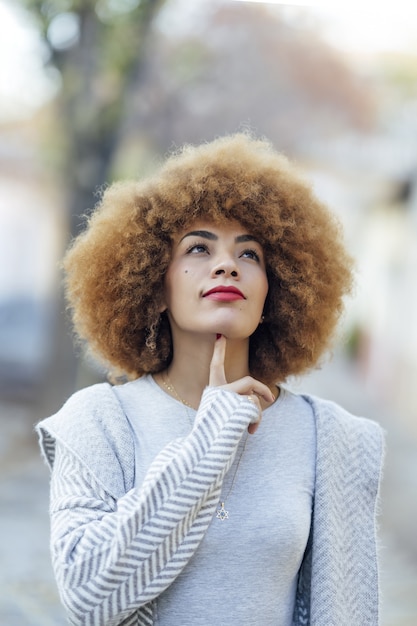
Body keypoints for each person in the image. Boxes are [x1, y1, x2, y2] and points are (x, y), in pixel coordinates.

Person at [37, 133, 384, 626]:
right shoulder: (98, 421)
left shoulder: (333, 439)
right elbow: (89, 597)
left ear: (274, 295)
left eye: (249, 255)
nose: (226, 264)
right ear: (155, 287)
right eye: (198, 248)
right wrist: (210, 439)